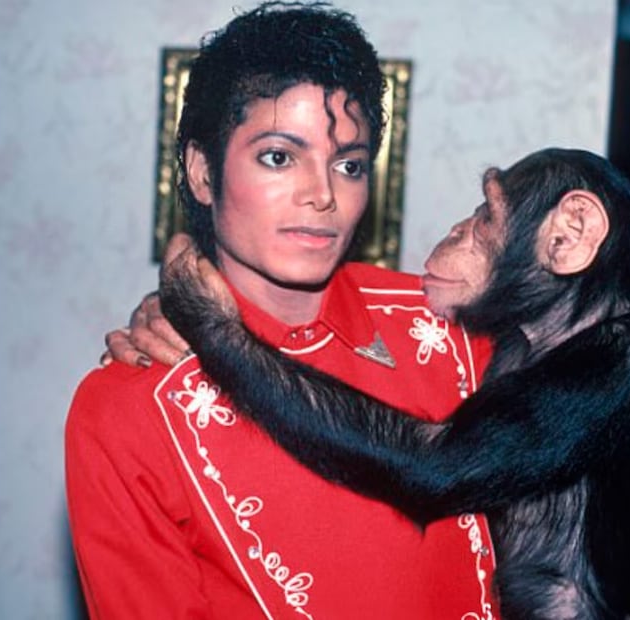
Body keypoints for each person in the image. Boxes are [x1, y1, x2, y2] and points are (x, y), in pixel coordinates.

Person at [65, 3, 499, 618]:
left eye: (348, 165)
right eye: (278, 156)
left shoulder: (455, 333)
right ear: (202, 172)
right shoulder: (128, 408)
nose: (323, 194)